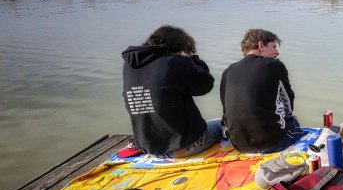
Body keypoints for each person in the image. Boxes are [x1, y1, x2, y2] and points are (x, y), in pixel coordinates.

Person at [122, 25, 222, 157]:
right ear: (179, 47)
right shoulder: (174, 62)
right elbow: (206, 84)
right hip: (184, 146)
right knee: (221, 124)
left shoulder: (130, 65)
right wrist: (193, 56)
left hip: (149, 148)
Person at [220, 29, 304, 153]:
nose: (277, 52)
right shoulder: (274, 66)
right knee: (292, 120)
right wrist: (290, 117)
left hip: (239, 145)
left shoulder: (228, 71)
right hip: (273, 142)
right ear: (260, 45)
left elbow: (225, 110)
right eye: (274, 46)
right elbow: (287, 99)